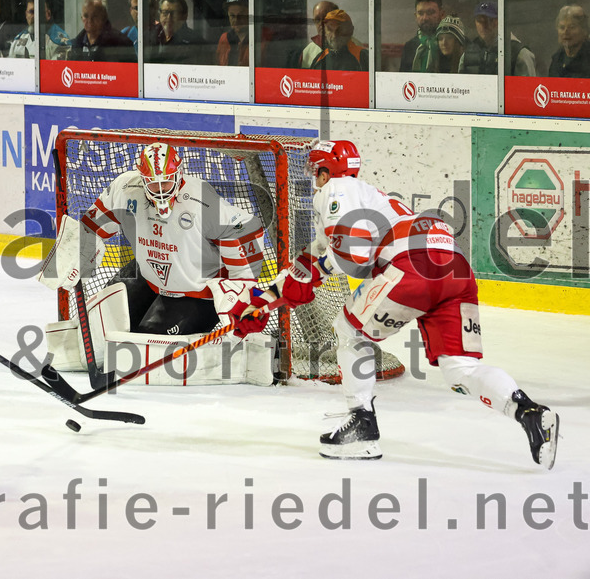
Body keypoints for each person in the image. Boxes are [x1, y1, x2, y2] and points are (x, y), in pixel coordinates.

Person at [232, 140, 559, 469]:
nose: (314, 179)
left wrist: (315, 272)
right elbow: (310, 263)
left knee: (349, 329)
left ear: (326, 171)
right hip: (455, 268)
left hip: (412, 264)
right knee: (460, 370)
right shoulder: (371, 200)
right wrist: (262, 302)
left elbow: (352, 253)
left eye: (316, 171)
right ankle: (528, 412)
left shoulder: (338, 188)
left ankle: (362, 425)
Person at [72, 142, 266, 335]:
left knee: (145, 345)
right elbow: (92, 226)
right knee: (99, 326)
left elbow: (245, 229)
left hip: (197, 291)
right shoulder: (125, 189)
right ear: (142, 179)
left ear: (178, 174)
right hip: (150, 274)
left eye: (165, 182)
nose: (161, 190)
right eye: (153, 184)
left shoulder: (201, 201)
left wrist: (242, 287)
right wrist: (76, 252)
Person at [460, 1, 536, 76]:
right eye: (479, 20)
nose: (484, 25)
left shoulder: (519, 53)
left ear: (500, 21)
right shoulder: (468, 53)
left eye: (490, 20)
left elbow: (528, 87)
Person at [67, 0, 135, 63]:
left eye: (95, 16)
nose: (90, 20)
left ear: (104, 17)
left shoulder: (121, 43)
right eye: (86, 16)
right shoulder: (76, 45)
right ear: (81, 17)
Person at [151, 0, 208, 64]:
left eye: (174, 13)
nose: (169, 18)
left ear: (185, 16)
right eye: (165, 13)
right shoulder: (151, 35)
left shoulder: (196, 42)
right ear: (160, 14)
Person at [400, 0, 445, 72]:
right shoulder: (410, 46)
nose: (425, 18)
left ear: (442, 14)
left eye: (430, 13)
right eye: (420, 13)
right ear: (415, 16)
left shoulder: (451, 43)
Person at [293, 0, 338, 68]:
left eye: (326, 18)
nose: (321, 23)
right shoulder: (308, 52)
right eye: (317, 20)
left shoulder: (354, 48)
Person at [548, 5, 590, 78]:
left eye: (572, 27)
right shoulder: (557, 59)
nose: (566, 32)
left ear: (584, 31)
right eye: (562, 27)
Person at [216, 0, 250, 67]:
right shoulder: (224, 38)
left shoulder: (261, 37)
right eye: (232, 16)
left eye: (241, 15)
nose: (236, 20)